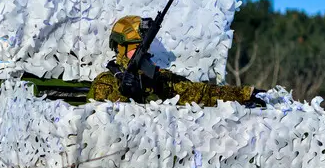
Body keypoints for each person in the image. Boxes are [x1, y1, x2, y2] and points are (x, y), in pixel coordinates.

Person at [88, 15, 263, 106]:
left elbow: (202, 93)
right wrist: (125, 94)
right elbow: (101, 125)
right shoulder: (106, 83)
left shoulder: (160, 79)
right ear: (121, 48)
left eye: (144, 47)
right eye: (136, 47)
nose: (142, 52)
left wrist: (244, 94)